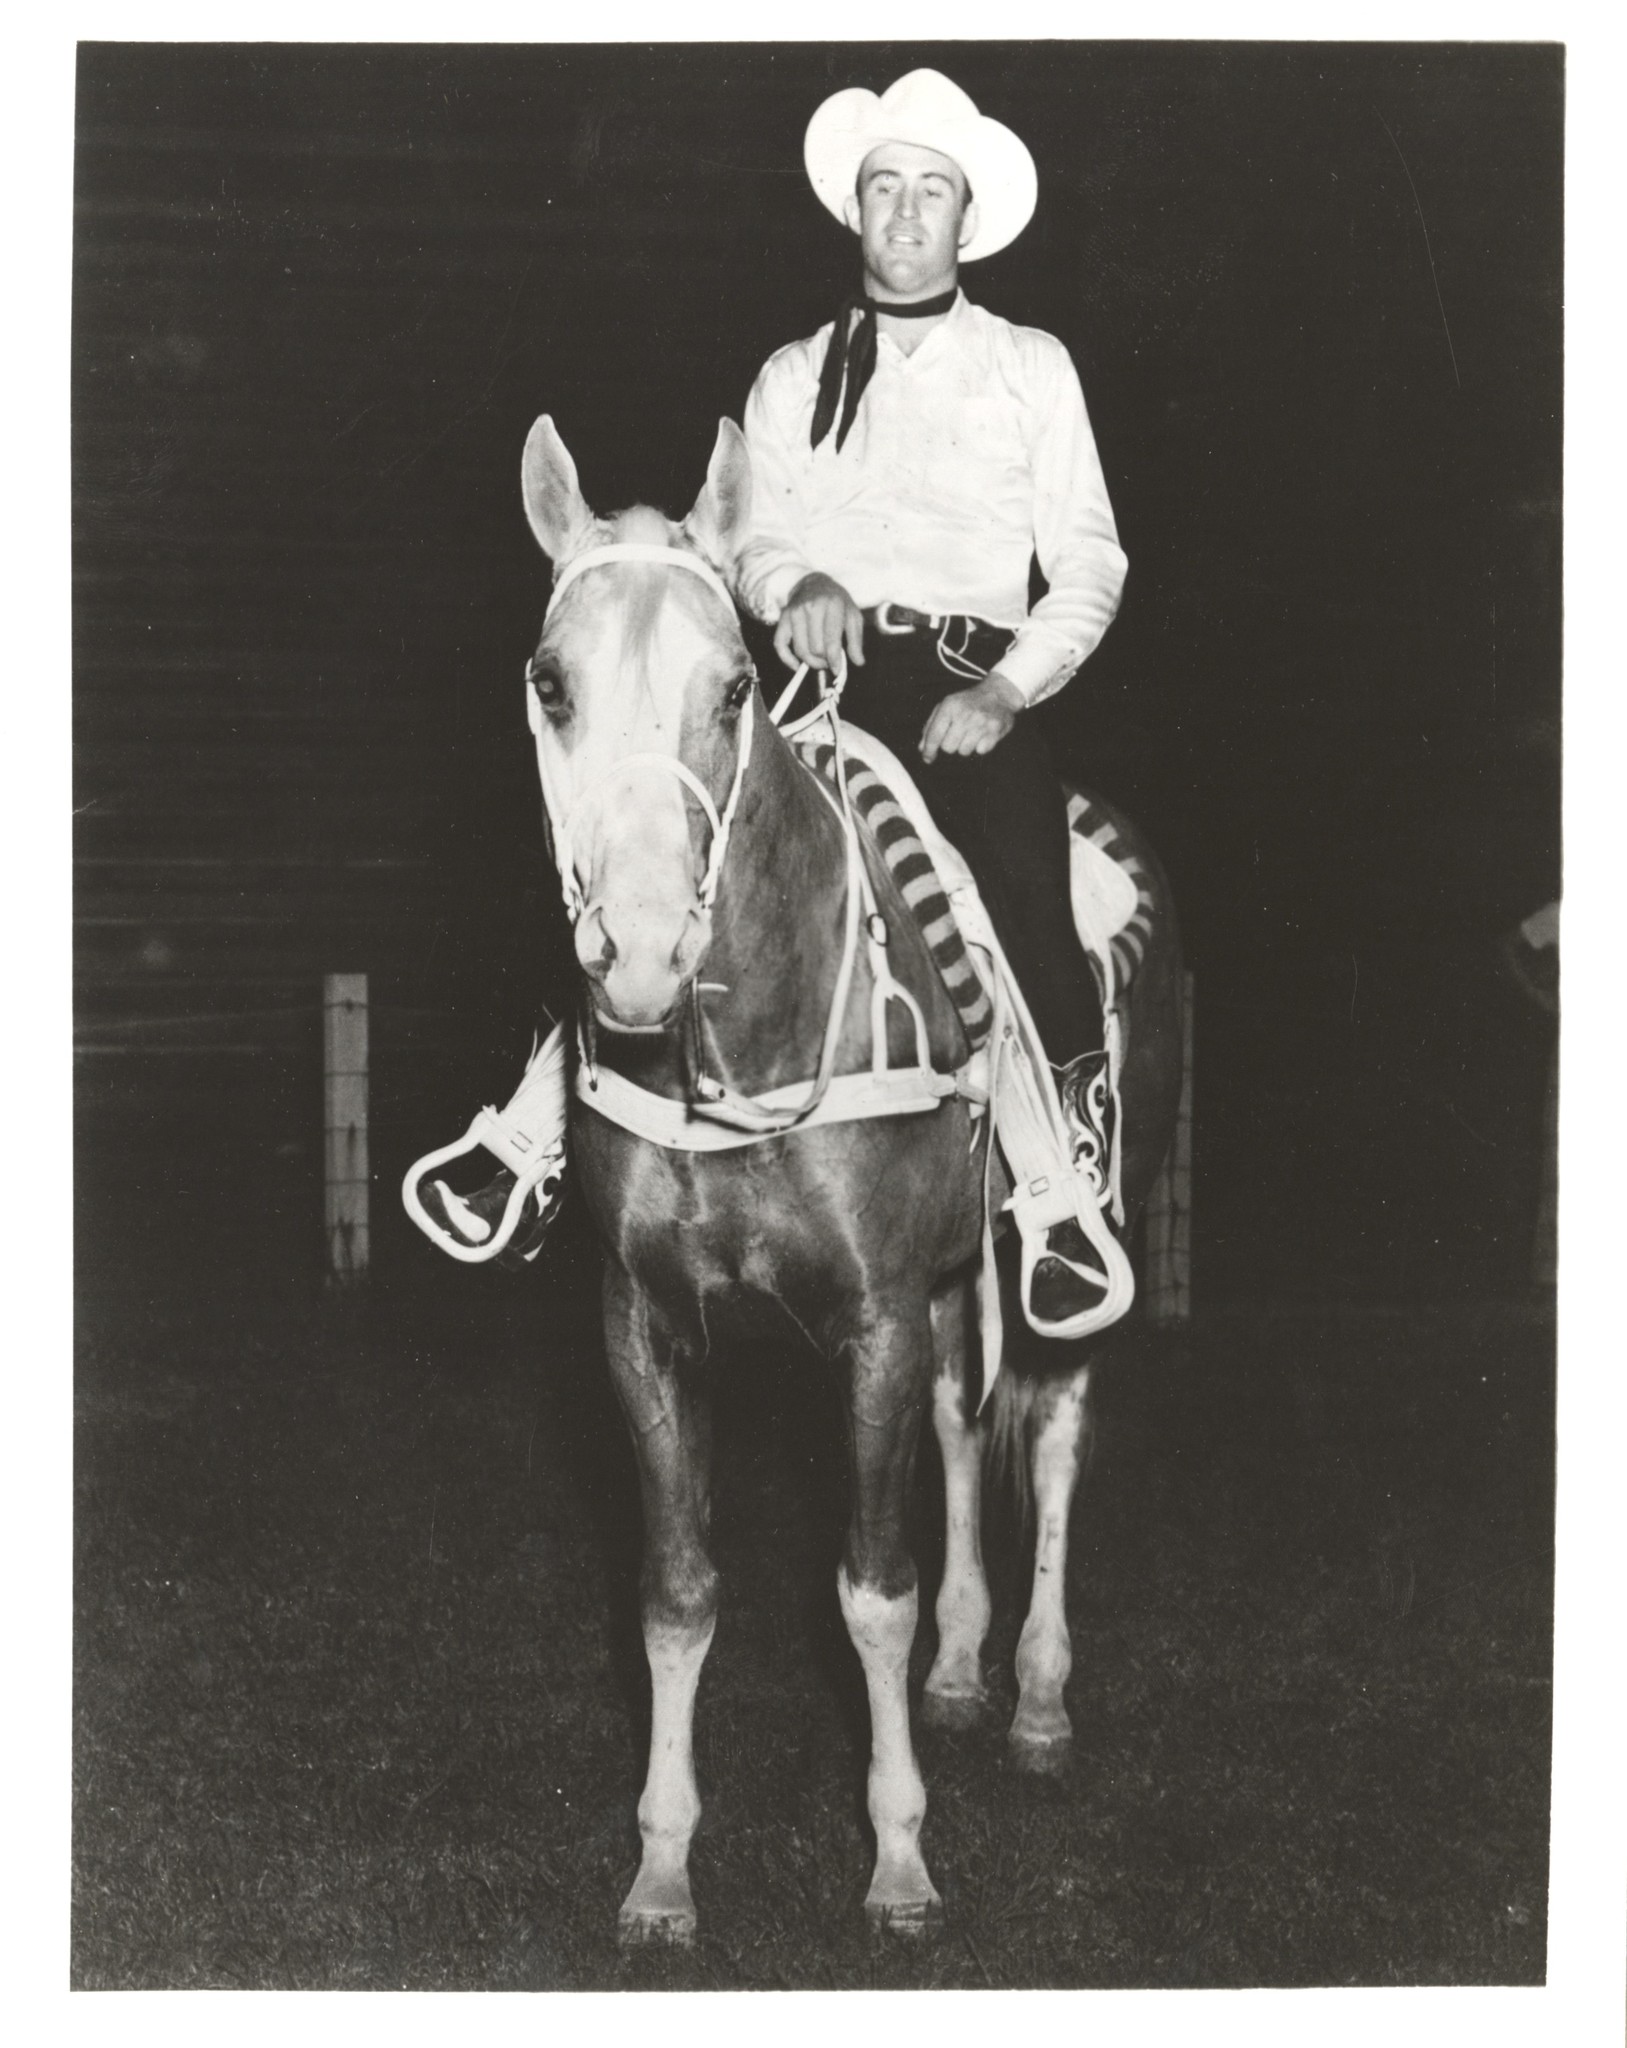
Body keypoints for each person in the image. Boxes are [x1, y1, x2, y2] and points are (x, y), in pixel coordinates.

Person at [407, 68, 1129, 1324]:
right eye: (884, 190)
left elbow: (1090, 561)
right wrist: (796, 586)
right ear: (855, 214)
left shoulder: (1030, 367)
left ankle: (1060, 1170)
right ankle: (533, 1127)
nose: (906, 215)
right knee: (661, 834)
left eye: (932, 194)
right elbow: (748, 535)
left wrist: (1009, 688)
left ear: (966, 221)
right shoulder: (792, 377)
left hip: (969, 685)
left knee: (1011, 874)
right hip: (820, 678)